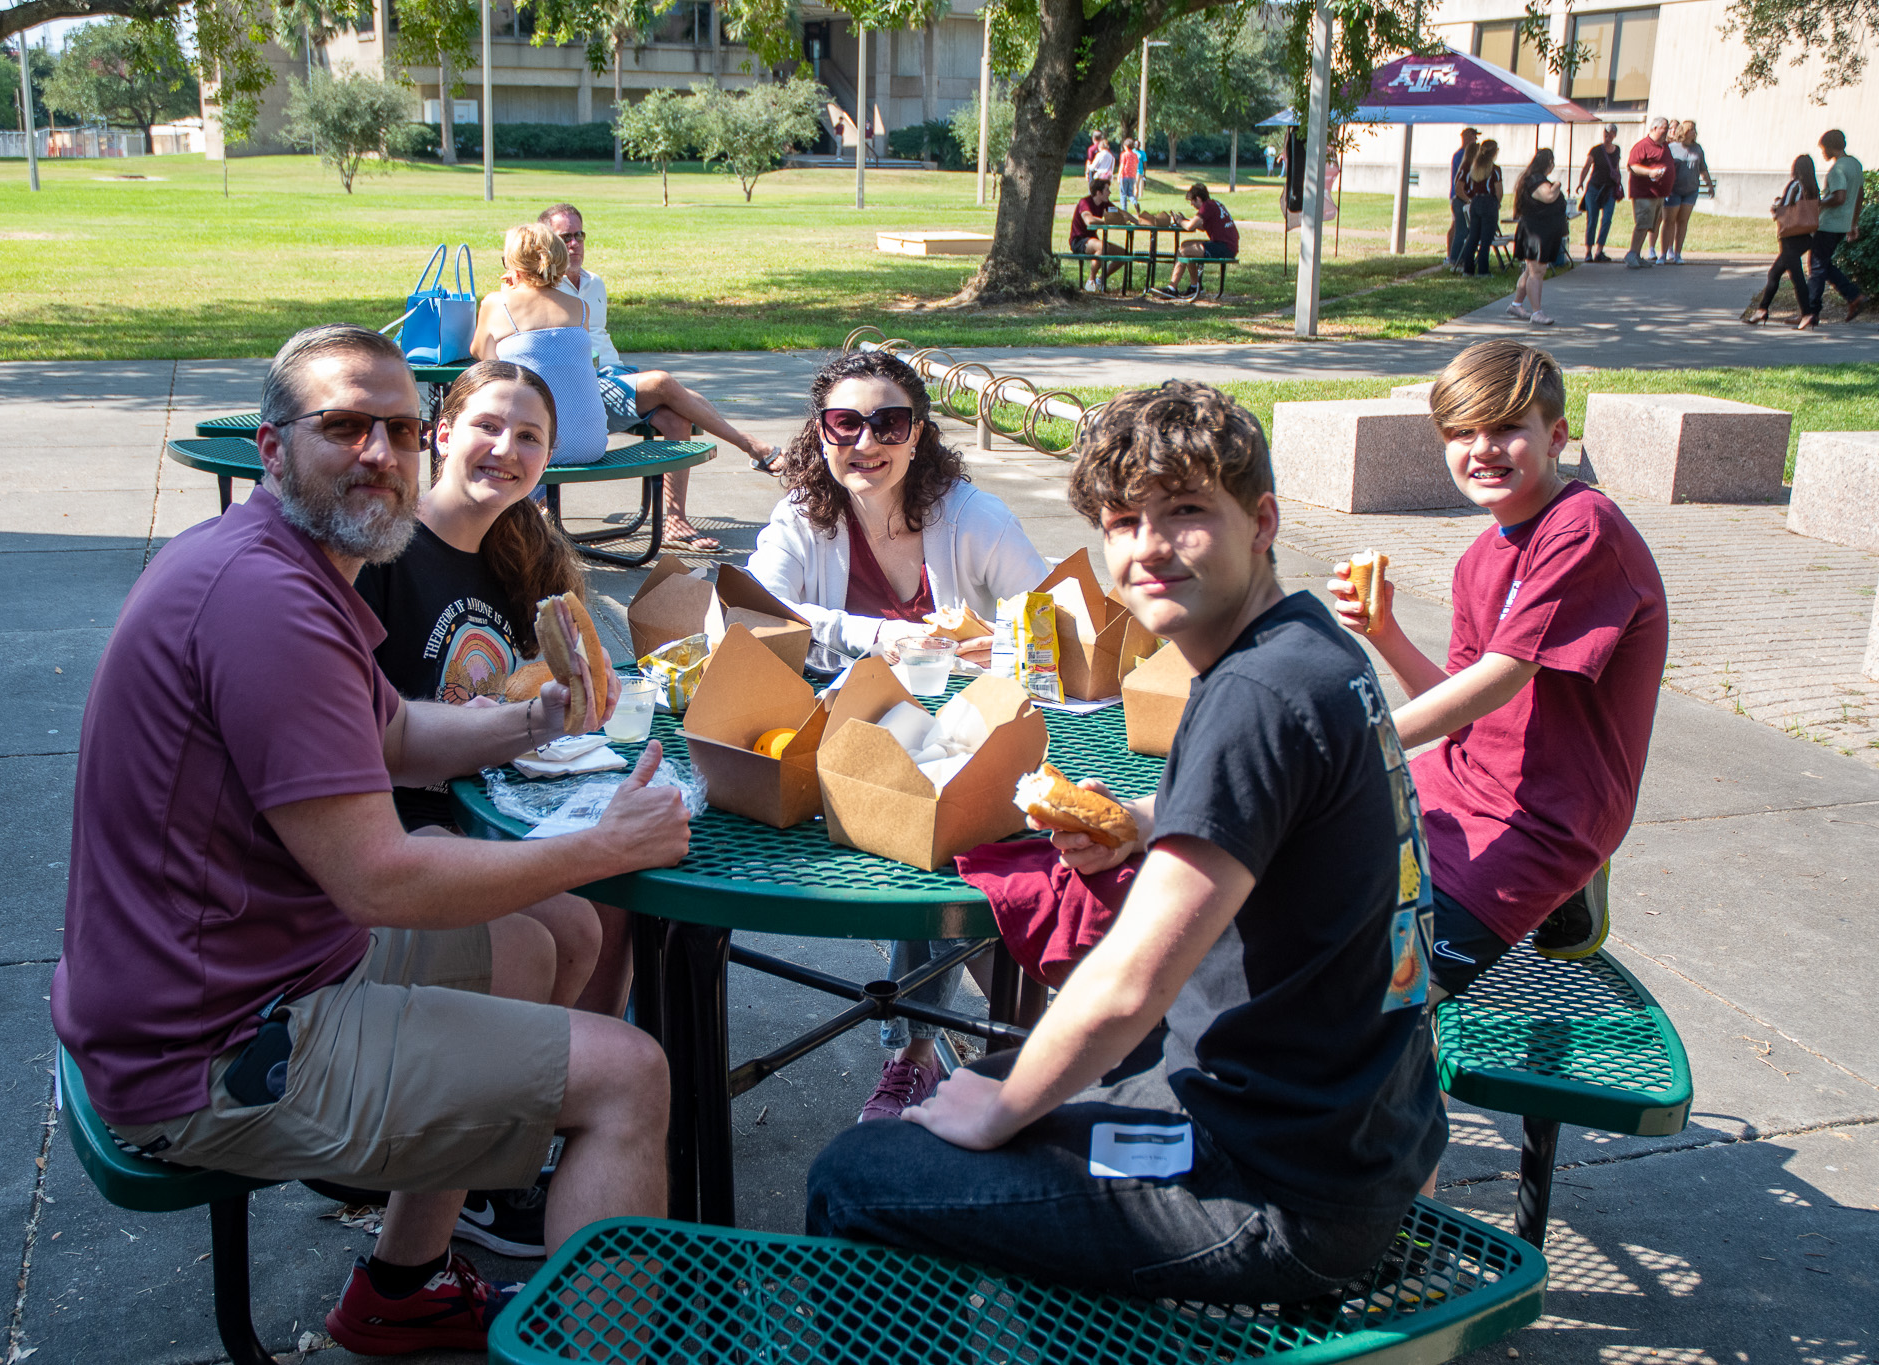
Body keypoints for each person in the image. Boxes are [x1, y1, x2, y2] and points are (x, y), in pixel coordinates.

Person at [51, 324, 683, 1355]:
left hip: (232, 974)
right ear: (270, 446)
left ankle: (403, 1283)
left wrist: (536, 718)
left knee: (546, 935)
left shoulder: (285, 562)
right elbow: (379, 880)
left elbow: (391, 731)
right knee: (629, 1073)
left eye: (395, 426)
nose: (379, 453)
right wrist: (604, 845)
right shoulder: (267, 604)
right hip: (212, 1047)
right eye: (342, 426)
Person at [805, 380, 1447, 1303]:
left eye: (1186, 512)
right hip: (1354, 1132)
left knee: (864, 1172)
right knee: (988, 1083)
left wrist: (1007, 1110)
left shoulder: (1252, 698)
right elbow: (1271, 802)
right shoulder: (1306, 649)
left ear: (1261, 519)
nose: (1149, 547)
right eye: (1122, 519)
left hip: (1265, 1181)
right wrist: (1150, 814)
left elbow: (1129, 983)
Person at [749, 349, 1046, 1124]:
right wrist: (886, 637)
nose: (866, 441)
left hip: (955, 733)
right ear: (820, 434)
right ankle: (1019, 1034)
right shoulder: (803, 517)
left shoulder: (971, 517)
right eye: (845, 422)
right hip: (826, 742)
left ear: (919, 436)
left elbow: (1052, 614)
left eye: (890, 421)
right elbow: (754, 611)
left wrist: (992, 643)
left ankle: (915, 1052)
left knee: (951, 839)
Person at [1326, 339, 1668, 998]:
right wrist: (1386, 633)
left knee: (1388, 992)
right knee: (1301, 876)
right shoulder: (1479, 558)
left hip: (1542, 818)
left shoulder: (1583, 529)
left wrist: (1355, 743)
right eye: (1461, 431)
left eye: (1507, 427)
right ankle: (1570, 892)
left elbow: (1504, 674)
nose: (1482, 447)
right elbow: (1461, 707)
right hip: (1459, 779)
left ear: (1556, 436)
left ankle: (1571, 875)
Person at [355, 357, 634, 1012]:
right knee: (563, 928)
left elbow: (534, 691)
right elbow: (355, 722)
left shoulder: (526, 561)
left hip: (498, 799)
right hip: (408, 814)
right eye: (488, 426)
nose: (507, 448)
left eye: (529, 436)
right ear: (442, 434)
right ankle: (542, 1079)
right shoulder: (385, 555)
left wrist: (577, 700)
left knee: (620, 898)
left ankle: (585, 1082)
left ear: (548, 455)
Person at [537, 202, 784, 549]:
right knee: (662, 382)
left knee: (675, 420)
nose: (575, 243)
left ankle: (675, 523)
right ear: (547, 242)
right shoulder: (542, 289)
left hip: (616, 377)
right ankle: (752, 445)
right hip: (583, 387)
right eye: (566, 237)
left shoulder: (594, 283)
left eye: (579, 234)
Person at [470, 222, 608, 466]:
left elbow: (483, 356)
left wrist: (504, 293)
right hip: (590, 443)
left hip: (537, 446)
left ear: (514, 266)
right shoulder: (581, 308)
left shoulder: (497, 303)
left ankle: (531, 502)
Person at [1749, 154, 1823, 329]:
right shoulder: (1813, 187)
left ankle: (1807, 313)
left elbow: (1785, 206)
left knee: (1796, 277)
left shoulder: (1795, 185)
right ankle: (1762, 309)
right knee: (1774, 273)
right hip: (1806, 235)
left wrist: (1775, 207)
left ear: (1796, 169)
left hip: (1790, 236)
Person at [1809, 130, 1867, 322]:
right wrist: (1853, 222)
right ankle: (1853, 296)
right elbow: (1859, 195)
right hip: (1843, 224)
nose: (1823, 153)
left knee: (1816, 267)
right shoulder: (1855, 164)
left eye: (1823, 148)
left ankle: (1812, 312)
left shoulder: (1838, 169)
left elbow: (1839, 196)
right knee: (1824, 265)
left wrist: (1819, 203)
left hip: (1829, 224)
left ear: (1830, 146)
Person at [1146, 181, 1239, 300]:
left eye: (1192, 201)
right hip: (1226, 245)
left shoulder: (1207, 207)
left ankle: (1172, 288)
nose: (1191, 204)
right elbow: (1200, 226)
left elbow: (1190, 227)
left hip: (1224, 247)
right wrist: (1186, 220)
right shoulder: (1214, 204)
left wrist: (1180, 221)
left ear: (1199, 198)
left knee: (1184, 250)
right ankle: (1195, 286)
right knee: (1186, 245)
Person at [1507, 150, 1567, 326]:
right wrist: (1557, 184)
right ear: (1548, 162)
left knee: (1530, 270)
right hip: (1535, 232)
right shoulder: (1535, 180)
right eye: (1552, 162)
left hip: (1542, 231)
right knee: (1536, 271)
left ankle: (1516, 304)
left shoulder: (1535, 179)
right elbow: (1548, 196)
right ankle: (1537, 312)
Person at [1623, 116, 1675, 269]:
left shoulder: (1664, 146)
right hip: (1645, 193)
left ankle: (1637, 255)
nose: (1666, 133)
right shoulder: (1643, 146)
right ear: (1654, 129)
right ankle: (1631, 254)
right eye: (1664, 130)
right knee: (1642, 223)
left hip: (1658, 194)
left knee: (1648, 225)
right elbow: (1632, 166)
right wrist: (1650, 172)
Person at [1660, 121, 1713, 264]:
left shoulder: (1698, 148)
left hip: (1691, 190)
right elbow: (1663, 167)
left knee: (1683, 221)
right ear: (1683, 131)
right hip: (1673, 190)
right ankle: (1663, 254)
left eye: (1695, 130)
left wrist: (1709, 185)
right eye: (1691, 130)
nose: (1694, 132)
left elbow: (1703, 168)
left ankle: (1677, 254)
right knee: (1669, 221)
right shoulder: (1672, 148)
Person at [1457, 139, 1502, 277]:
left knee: (1473, 237)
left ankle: (1468, 269)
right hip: (1489, 201)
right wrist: (1497, 203)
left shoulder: (1474, 168)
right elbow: (1498, 191)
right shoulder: (1495, 169)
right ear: (1495, 152)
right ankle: (1483, 270)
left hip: (1475, 202)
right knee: (1486, 238)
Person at [1577, 124, 1622, 262]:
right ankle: (1588, 251)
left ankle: (1599, 251)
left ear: (1614, 135)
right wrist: (1581, 182)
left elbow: (1616, 167)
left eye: (1611, 135)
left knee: (1607, 219)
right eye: (1606, 134)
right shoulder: (1596, 150)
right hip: (1594, 188)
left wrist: (1618, 183)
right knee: (1592, 220)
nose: (1608, 137)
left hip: (1609, 189)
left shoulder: (1617, 150)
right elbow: (1587, 166)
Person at [1068, 177, 1117, 292]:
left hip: (1093, 240)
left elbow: (1120, 214)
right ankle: (1091, 281)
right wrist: (1106, 221)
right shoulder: (1084, 202)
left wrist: (1137, 221)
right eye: (1107, 190)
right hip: (1079, 241)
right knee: (1103, 247)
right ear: (1099, 192)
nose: (1110, 193)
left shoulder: (1105, 204)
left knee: (1124, 254)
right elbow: (1088, 220)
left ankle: (1100, 280)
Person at [1448, 126, 1479, 265]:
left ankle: (1456, 257)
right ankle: (1453, 258)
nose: (1475, 139)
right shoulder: (1462, 156)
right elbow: (1460, 184)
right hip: (1459, 198)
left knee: (1461, 228)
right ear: (1466, 137)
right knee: (1458, 228)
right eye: (1473, 136)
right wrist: (1468, 199)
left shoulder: (1462, 156)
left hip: (1463, 197)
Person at [1117, 136, 1141, 213]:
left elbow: (1122, 166)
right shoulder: (1135, 155)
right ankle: (1135, 202)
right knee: (1130, 193)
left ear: (1125, 146)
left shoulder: (1124, 154)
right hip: (1132, 177)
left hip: (1124, 176)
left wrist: (1118, 175)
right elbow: (1136, 165)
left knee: (1123, 194)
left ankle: (1124, 210)